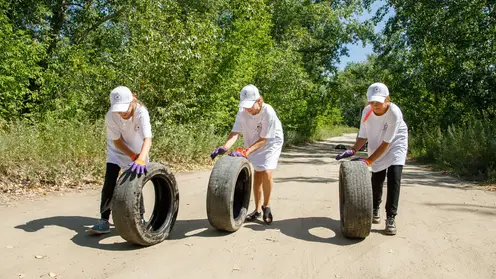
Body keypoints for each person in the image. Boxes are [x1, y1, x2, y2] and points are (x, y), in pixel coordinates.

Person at [335, 82, 408, 235]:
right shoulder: (367, 111)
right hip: (376, 139)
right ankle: (375, 208)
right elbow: (363, 135)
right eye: (372, 101)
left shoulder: (394, 113)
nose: (375, 105)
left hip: (396, 142)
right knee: (377, 177)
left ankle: (391, 218)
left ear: (387, 99)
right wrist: (353, 150)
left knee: (394, 176)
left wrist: (368, 160)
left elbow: (387, 142)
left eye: (379, 102)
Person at [210, 84, 284, 225]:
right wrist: (225, 147)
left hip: (271, 141)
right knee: (258, 171)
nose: (247, 108)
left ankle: (266, 207)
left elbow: (264, 139)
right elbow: (235, 132)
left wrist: (246, 151)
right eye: (245, 105)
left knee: (267, 171)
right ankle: (257, 210)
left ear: (259, 101)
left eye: (250, 105)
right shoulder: (242, 111)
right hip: (253, 140)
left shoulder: (268, 112)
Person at [87, 86, 153, 235]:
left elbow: (148, 139)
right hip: (118, 150)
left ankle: (140, 219)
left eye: (125, 108)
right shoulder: (111, 115)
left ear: (133, 99)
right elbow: (117, 142)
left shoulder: (141, 112)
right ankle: (103, 220)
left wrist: (140, 158)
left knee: (134, 182)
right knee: (109, 180)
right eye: (119, 110)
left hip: (139, 149)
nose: (122, 113)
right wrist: (131, 156)